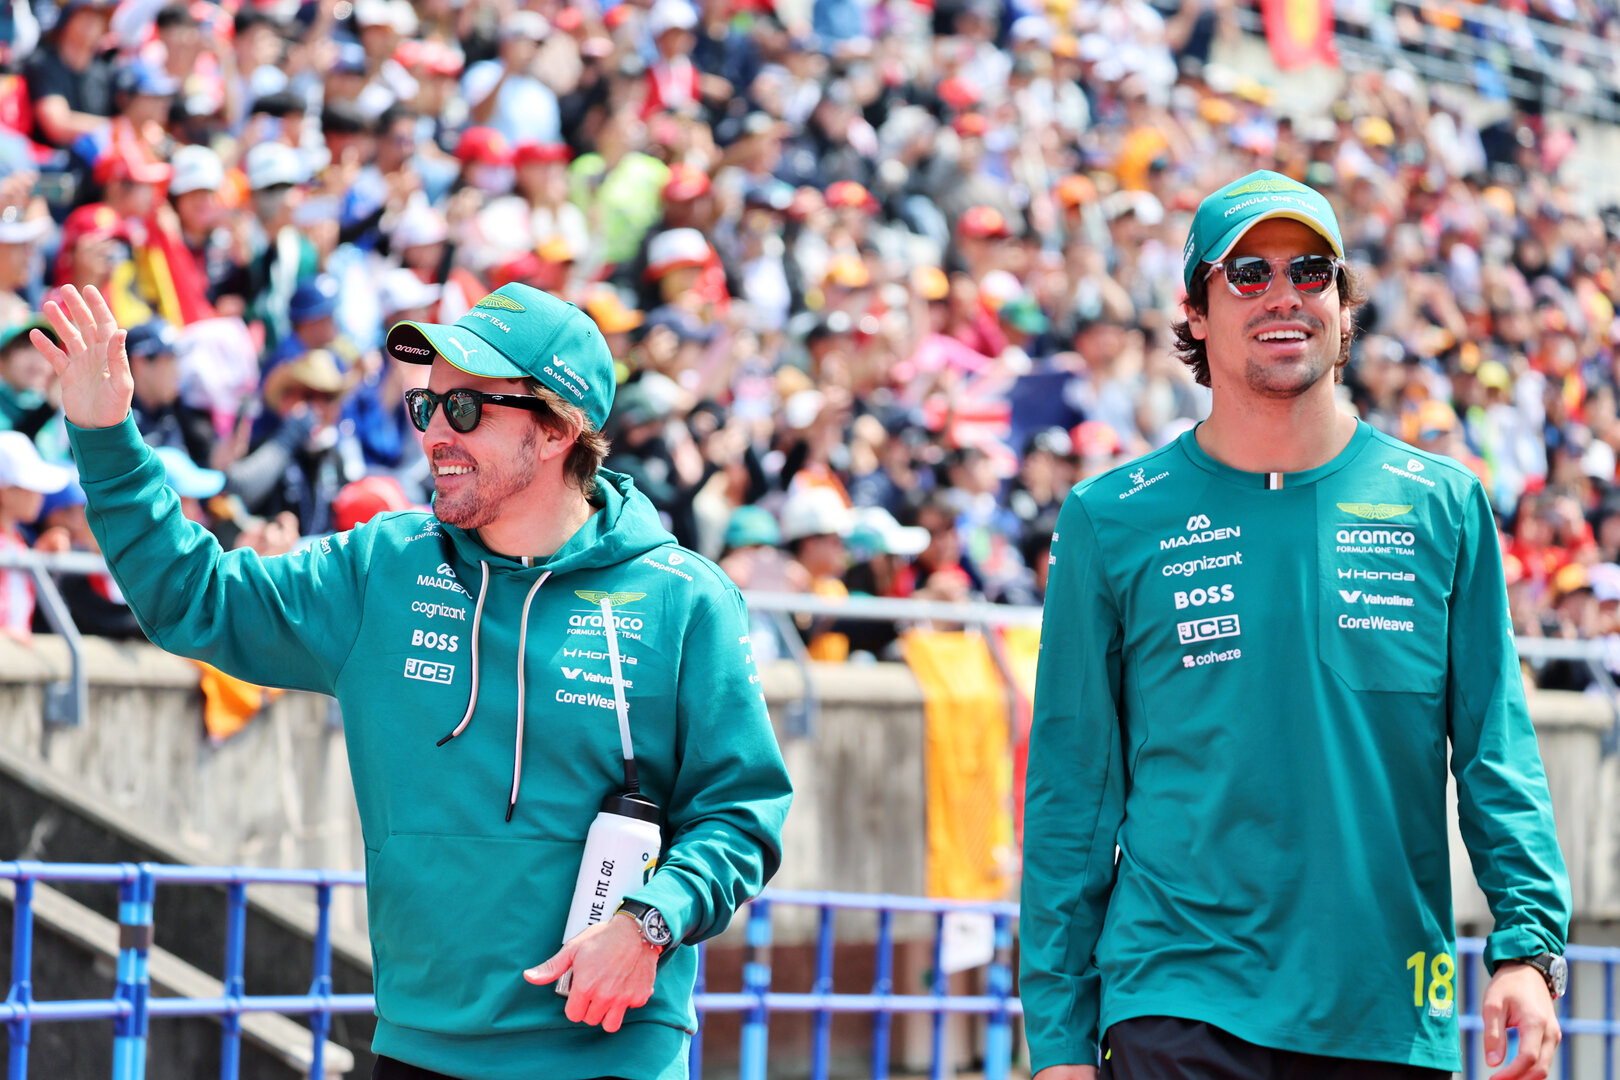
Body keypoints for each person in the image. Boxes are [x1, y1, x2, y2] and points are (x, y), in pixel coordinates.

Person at [45, 281, 791, 1080]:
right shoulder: (381, 567)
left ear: (556, 430)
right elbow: (192, 598)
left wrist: (651, 922)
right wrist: (106, 436)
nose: (435, 433)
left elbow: (742, 813)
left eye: (464, 409)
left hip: (614, 1051)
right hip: (417, 1047)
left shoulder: (686, 598)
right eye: (426, 406)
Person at [1021, 171, 1571, 1080]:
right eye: (1247, 274)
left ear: (1344, 307)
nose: (1283, 295)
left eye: (1311, 271)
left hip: (1386, 1007)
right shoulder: (1109, 517)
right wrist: (1059, 1040)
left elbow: (1495, 752)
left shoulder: (1444, 504)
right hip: (1176, 1001)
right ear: (1196, 312)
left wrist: (1527, 947)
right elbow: (1070, 794)